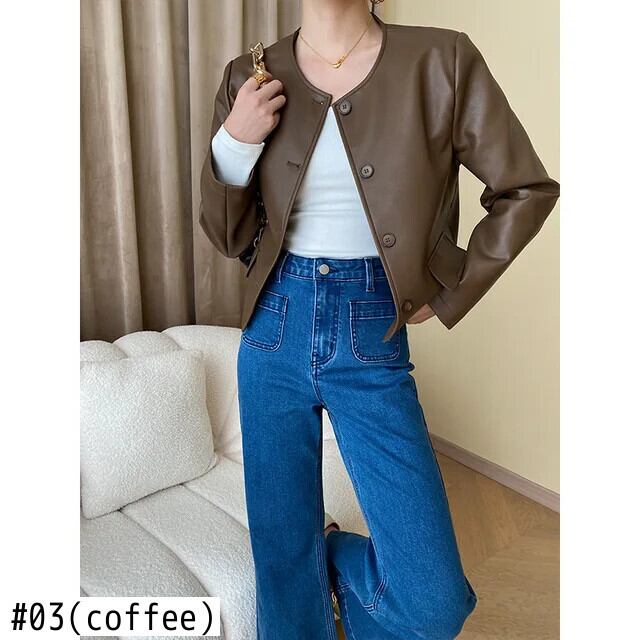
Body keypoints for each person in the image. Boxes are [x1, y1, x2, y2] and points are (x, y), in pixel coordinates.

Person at [198, 1, 560, 639]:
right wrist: (235, 141)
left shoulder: (442, 58)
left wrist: (451, 288)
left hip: (372, 331)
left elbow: (525, 189)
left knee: (433, 603)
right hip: (273, 324)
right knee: (281, 570)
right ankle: (299, 570)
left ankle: (324, 557)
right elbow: (228, 236)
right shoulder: (250, 75)